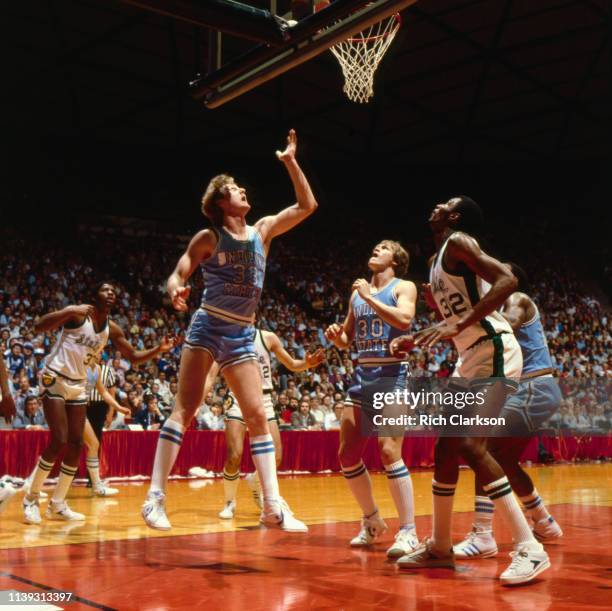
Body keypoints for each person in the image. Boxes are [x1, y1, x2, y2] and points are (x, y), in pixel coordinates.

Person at [142, 130, 318, 532]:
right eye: (235, 188)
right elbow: (181, 269)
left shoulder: (263, 231)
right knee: (185, 410)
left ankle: (273, 506)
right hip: (208, 325)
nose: (243, 191)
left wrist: (291, 161)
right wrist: (175, 290)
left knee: (257, 414)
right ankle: (155, 499)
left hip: (242, 333)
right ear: (222, 200)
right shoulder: (210, 236)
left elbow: (307, 205)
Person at [393, 197, 549, 585]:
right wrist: (419, 337)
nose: (436, 205)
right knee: (445, 447)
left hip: (495, 350)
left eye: (445, 204)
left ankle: (531, 548)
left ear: (455, 217)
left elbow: (507, 280)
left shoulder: (460, 241)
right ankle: (440, 546)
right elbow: (457, 323)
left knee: (472, 445)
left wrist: (458, 321)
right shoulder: (435, 263)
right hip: (470, 358)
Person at [23, 282, 175, 524]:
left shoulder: (111, 329)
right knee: (59, 439)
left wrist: (159, 348)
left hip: (79, 384)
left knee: (76, 445)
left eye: (114, 291)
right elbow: (39, 326)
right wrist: (68, 309)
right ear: (94, 296)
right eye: (105, 289)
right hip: (55, 377)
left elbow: (133, 357)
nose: (111, 293)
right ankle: (30, 499)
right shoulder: (77, 314)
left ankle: (58, 504)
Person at [453, 263, 563, 559]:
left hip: (534, 387)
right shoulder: (497, 307)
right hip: (528, 390)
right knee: (506, 462)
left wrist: (471, 310)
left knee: (481, 446)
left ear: (509, 281)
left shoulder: (519, 300)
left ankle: (483, 534)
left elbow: (508, 327)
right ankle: (543, 521)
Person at [325, 241, 420, 558]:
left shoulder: (402, 287)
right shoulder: (357, 294)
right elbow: (346, 340)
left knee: (389, 450)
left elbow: (405, 320)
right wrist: (336, 336)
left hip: (393, 376)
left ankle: (409, 532)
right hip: (362, 377)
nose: (376, 249)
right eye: (375, 246)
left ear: (397, 259)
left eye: (384, 247)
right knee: (347, 455)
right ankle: (372, 521)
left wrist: (368, 297)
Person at [218, 327, 324, 519]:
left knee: (276, 457)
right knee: (234, 455)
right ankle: (229, 501)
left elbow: (292, 364)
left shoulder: (268, 337)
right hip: (237, 395)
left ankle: (255, 482)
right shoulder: (228, 337)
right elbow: (213, 370)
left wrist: (307, 363)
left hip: (264, 398)